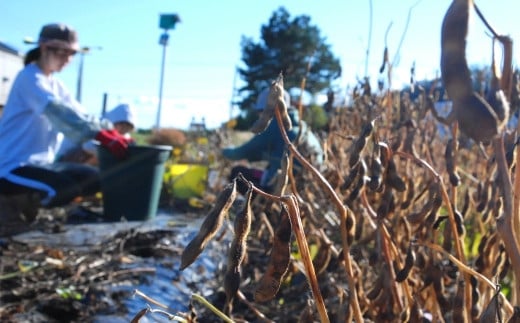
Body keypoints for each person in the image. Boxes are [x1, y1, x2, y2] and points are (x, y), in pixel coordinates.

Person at [0, 23, 131, 223]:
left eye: (71, 55)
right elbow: (59, 112)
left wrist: (111, 131)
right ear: (44, 48)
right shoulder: (29, 78)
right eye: (63, 53)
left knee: (98, 178)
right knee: (61, 189)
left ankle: (33, 203)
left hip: (44, 164)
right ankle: (17, 210)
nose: (68, 60)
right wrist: (98, 134)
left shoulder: (56, 84)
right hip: (13, 166)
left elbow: (81, 114)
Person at [222, 87, 324, 194]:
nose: (259, 116)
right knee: (270, 166)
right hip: (309, 188)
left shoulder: (275, 126)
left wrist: (224, 151)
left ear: (267, 111)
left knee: (237, 173)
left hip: (286, 190)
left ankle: (262, 207)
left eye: (260, 112)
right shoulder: (302, 126)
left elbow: (241, 152)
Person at [57, 103, 136, 165]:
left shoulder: (124, 135)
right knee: (104, 153)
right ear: (115, 121)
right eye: (122, 124)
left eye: (128, 127)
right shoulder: (100, 126)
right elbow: (87, 146)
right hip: (67, 158)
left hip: (84, 159)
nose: (123, 129)